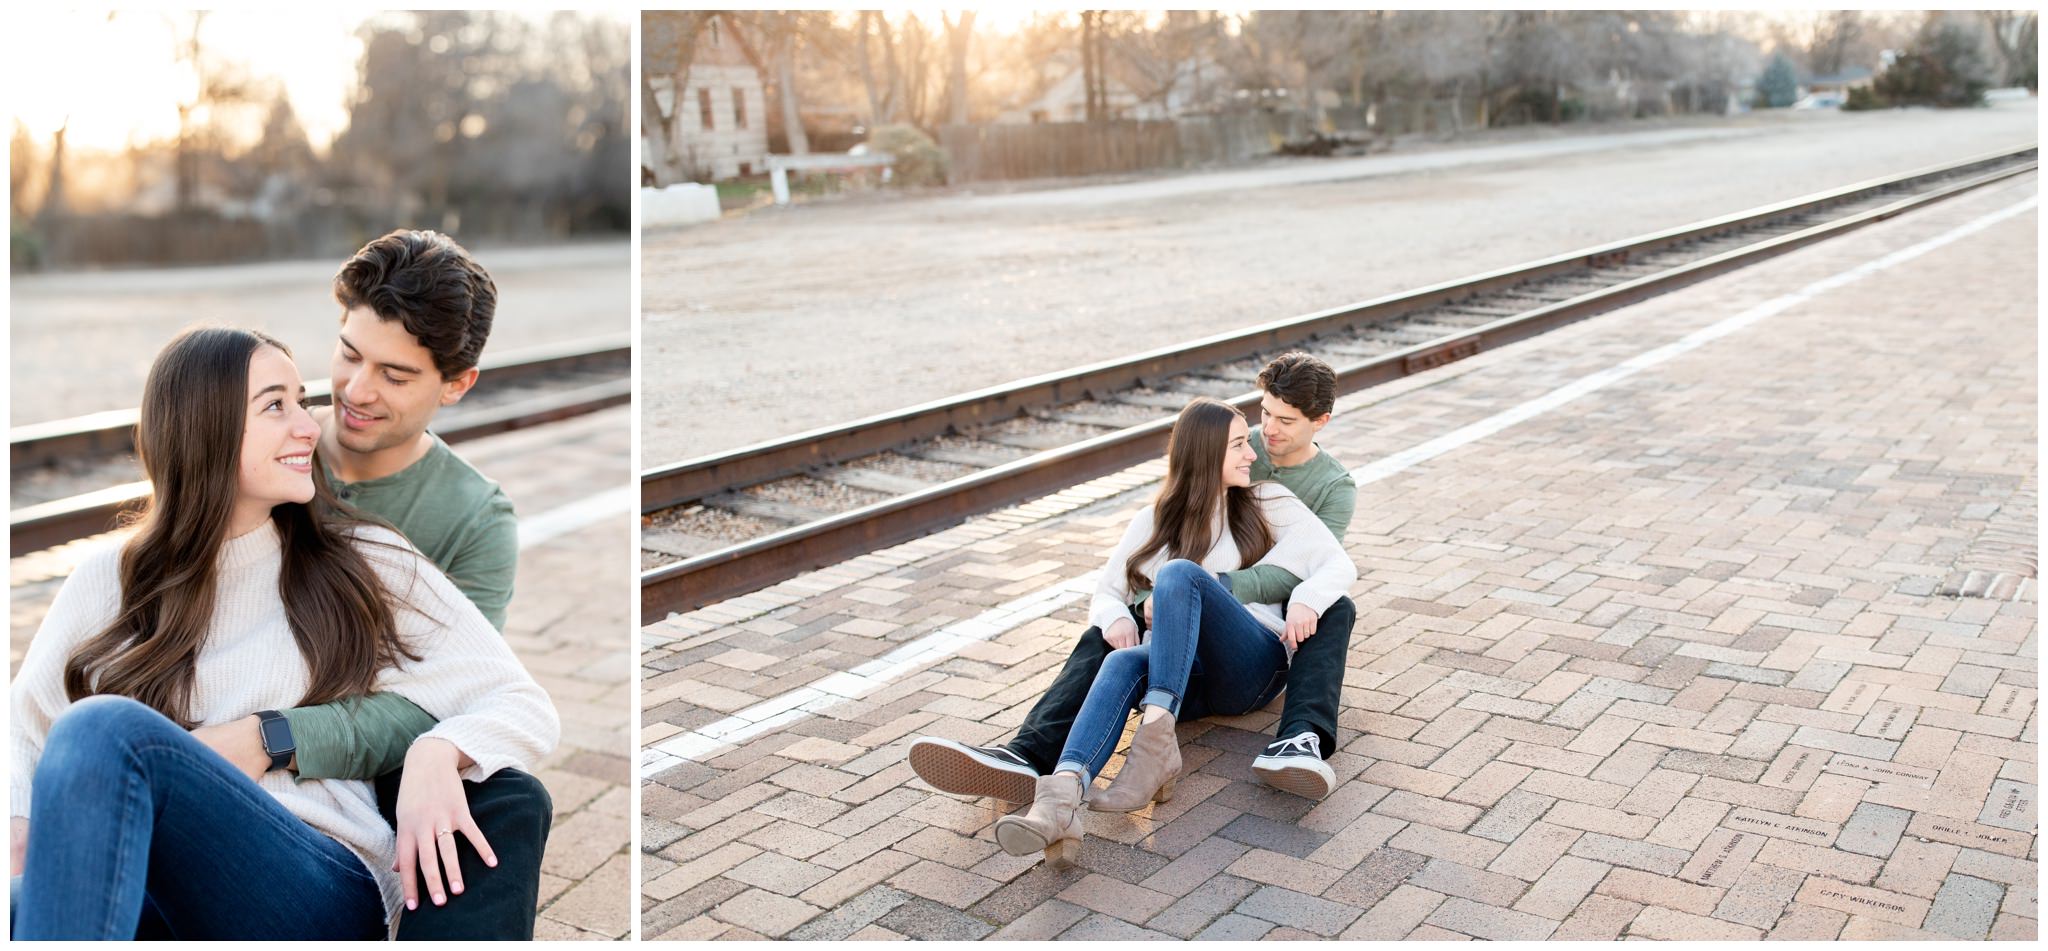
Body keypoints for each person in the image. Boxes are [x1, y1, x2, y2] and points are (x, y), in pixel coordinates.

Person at [9, 327, 559, 939]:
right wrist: (17, 824)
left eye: (301, 400)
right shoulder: (108, 578)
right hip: (153, 884)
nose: (309, 426)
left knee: (102, 728)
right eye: (277, 406)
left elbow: (519, 700)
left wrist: (440, 749)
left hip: (310, 885)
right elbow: (24, 730)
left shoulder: (364, 559)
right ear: (204, 427)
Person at [178, 230, 549, 940]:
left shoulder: (473, 519)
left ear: (457, 382)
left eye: (396, 375)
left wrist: (283, 738)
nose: (356, 389)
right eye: (348, 353)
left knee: (508, 797)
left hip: (354, 759)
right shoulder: (262, 447)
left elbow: (456, 688)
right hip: (223, 722)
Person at [910, 352, 1359, 800]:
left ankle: (1298, 739)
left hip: (1260, 634)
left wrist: (1244, 590)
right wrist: (1125, 615)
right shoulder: (1173, 504)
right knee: (1117, 642)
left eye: (1284, 421)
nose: (1263, 438)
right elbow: (1125, 574)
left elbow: (1328, 564)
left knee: (1330, 603)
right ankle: (1043, 772)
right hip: (1192, 653)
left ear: (1319, 421)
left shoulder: (1297, 493)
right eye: (1262, 418)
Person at [990, 397, 1357, 865]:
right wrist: (1118, 617)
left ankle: (1156, 737)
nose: (1253, 454)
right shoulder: (1153, 520)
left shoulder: (1269, 502)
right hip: (1184, 678)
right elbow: (1106, 592)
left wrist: (1306, 599)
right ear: (1205, 454)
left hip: (1251, 666)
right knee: (1122, 658)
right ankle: (1059, 802)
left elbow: (1338, 565)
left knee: (1179, 575)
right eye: (1240, 445)